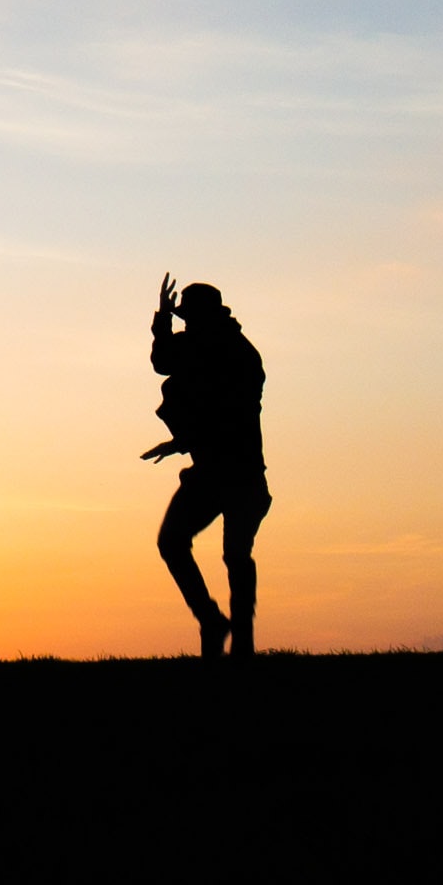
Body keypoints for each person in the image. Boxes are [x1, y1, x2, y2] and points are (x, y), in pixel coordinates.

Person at [145, 275, 269, 657]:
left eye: (189, 318)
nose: (187, 325)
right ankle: (213, 621)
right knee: (172, 542)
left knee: (236, 554)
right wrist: (163, 319)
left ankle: (242, 643)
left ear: (208, 317)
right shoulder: (195, 347)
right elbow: (162, 362)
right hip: (210, 473)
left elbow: (231, 416)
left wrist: (181, 441)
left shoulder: (240, 355)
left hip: (241, 474)